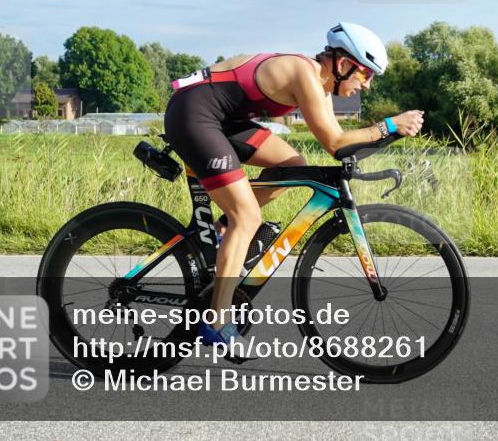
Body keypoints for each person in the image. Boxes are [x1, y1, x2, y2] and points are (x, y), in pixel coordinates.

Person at [162, 22, 424, 361]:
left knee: (292, 162)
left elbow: (342, 147)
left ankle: (225, 231)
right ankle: (217, 322)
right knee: (248, 216)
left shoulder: (321, 86)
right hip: (194, 114)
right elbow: (335, 142)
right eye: (366, 74)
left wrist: (391, 135)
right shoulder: (305, 74)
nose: (368, 85)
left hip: (221, 118)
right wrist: (389, 124)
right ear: (344, 65)